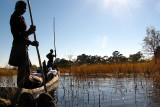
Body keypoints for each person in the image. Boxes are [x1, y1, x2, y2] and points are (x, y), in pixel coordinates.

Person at [8, 0, 39, 88]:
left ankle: (27, 85)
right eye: (23, 8)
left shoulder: (21, 17)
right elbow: (18, 36)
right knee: (22, 70)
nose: (25, 10)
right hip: (19, 47)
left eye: (25, 9)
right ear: (17, 7)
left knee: (27, 68)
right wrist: (30, 37)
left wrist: (30, 32)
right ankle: (21, 90)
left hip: (24, 46)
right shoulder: (15, 17)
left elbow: (23, 33)